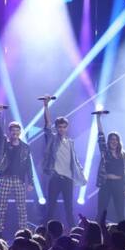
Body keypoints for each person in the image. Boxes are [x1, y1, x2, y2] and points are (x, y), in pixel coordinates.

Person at [41, 96, 86, 227]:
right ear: (56, 128)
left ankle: (73, 232)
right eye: (59, 127)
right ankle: (45, 233)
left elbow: (74, 160)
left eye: (64, 127)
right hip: (55, 178)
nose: (61, 129)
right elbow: (47, 125)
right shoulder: (52, 139)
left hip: (68, 179)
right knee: (51, 209)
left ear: (67, 128)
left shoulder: (70, 142)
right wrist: (46, 106)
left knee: (69, 209)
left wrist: (80, 171)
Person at [0, 106, 33, 237]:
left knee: (22, 208)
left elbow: (28, 165)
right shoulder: (4, 143)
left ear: (20, 132)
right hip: (6, 178)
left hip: (19, 180)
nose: (15, 132)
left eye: (17, 130)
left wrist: (31, 182)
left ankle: (24, 232)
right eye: (13, 130)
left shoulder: (25, 147)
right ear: (9, 132)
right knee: (2, 207)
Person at [95, 112, 125, 222]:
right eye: (111, 139)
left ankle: (123, 231)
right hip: (106, 184)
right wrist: (98, 118)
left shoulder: (123, 155)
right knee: (101, 211)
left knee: (120, 212)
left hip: (119, 185)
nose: (113, 141)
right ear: (108, 141)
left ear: (118, 142)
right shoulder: (105, 152)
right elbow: (101, 135)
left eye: (115, 139)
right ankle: (97, 229)